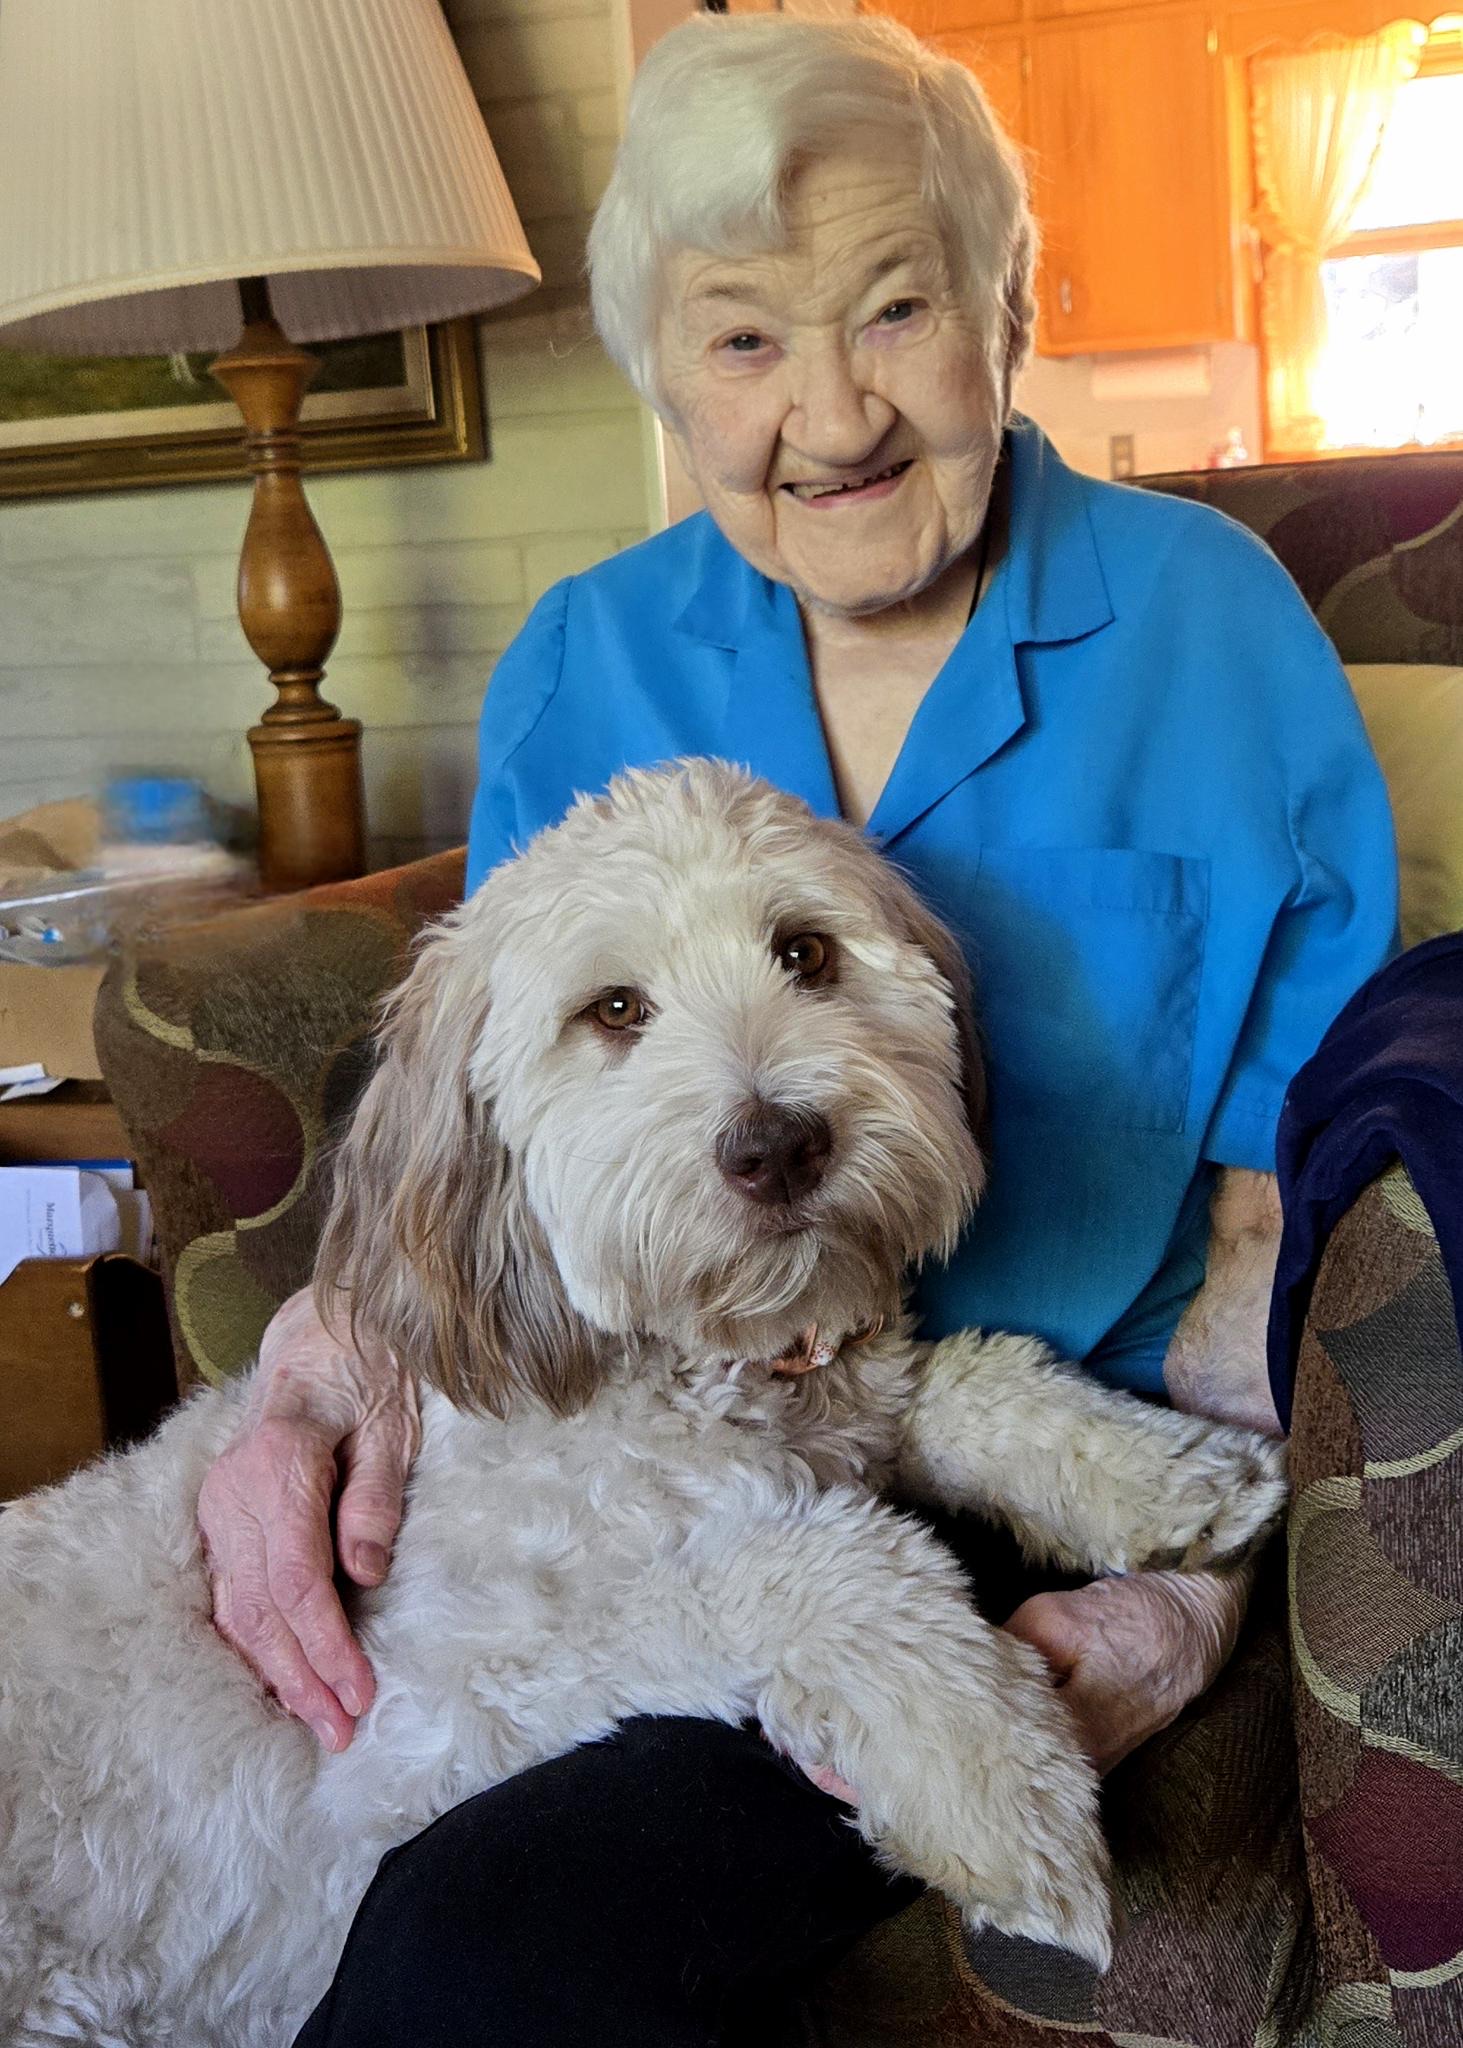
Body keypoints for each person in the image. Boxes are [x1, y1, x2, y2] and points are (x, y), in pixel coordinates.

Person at [197, 15, 1397, 2043]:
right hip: (653, 1450)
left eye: (898, 307)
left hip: (1007, 1458)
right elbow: (489, 1112)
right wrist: (319, 1363)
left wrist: (1204, 1583)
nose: (829, 411)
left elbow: (1332, 1164)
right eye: (744, 341)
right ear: (665, 376)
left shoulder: (1215, 627)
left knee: (489, 1941)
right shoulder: (589, 656)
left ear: (1005, 309)